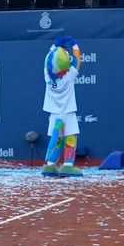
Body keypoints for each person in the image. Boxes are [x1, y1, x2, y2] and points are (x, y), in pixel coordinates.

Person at [40, 36, 82, 176]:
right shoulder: (69, 77)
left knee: (56, 139)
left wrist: (55, 45)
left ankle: (50, 165)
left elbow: (48, 59)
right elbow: (77, 61)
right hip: (68, 112)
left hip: (54, 113)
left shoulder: (47, 76)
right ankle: (68, 165)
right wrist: (74, 46)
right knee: (70, 139)